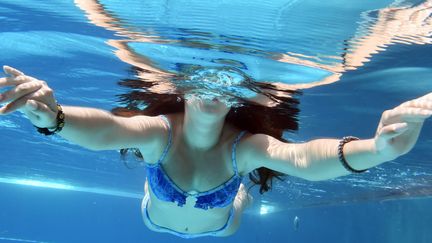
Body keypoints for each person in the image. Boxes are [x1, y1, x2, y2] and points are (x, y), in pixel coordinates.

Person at [0, 65, 431, 238]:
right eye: (204, 79)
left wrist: (377, 149)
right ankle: (233, 193)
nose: (215, 89)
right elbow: (111, 130)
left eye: (228, 84)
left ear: (239, 99)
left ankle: (239, 195)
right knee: (220, 193)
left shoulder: (244, 148)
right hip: (154, 217)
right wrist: (53, 117)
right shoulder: (159, 133)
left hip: (222, 227)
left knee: (236, 202)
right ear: (182, 87)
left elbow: (300, 159)